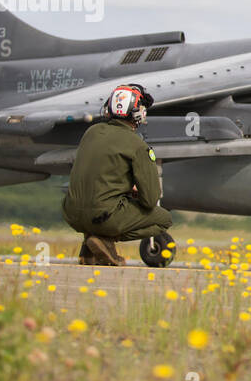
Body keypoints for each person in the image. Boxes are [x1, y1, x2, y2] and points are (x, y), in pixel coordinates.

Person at [62, 83, 173, 265]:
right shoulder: (138, 146)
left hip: (72, 213)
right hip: (103, 217)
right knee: (163, 219)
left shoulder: (91, 132)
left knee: (101, 203)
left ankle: (88, 248)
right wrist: (134, 191)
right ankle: (105, 240)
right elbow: (150, 200)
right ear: (137, 112)